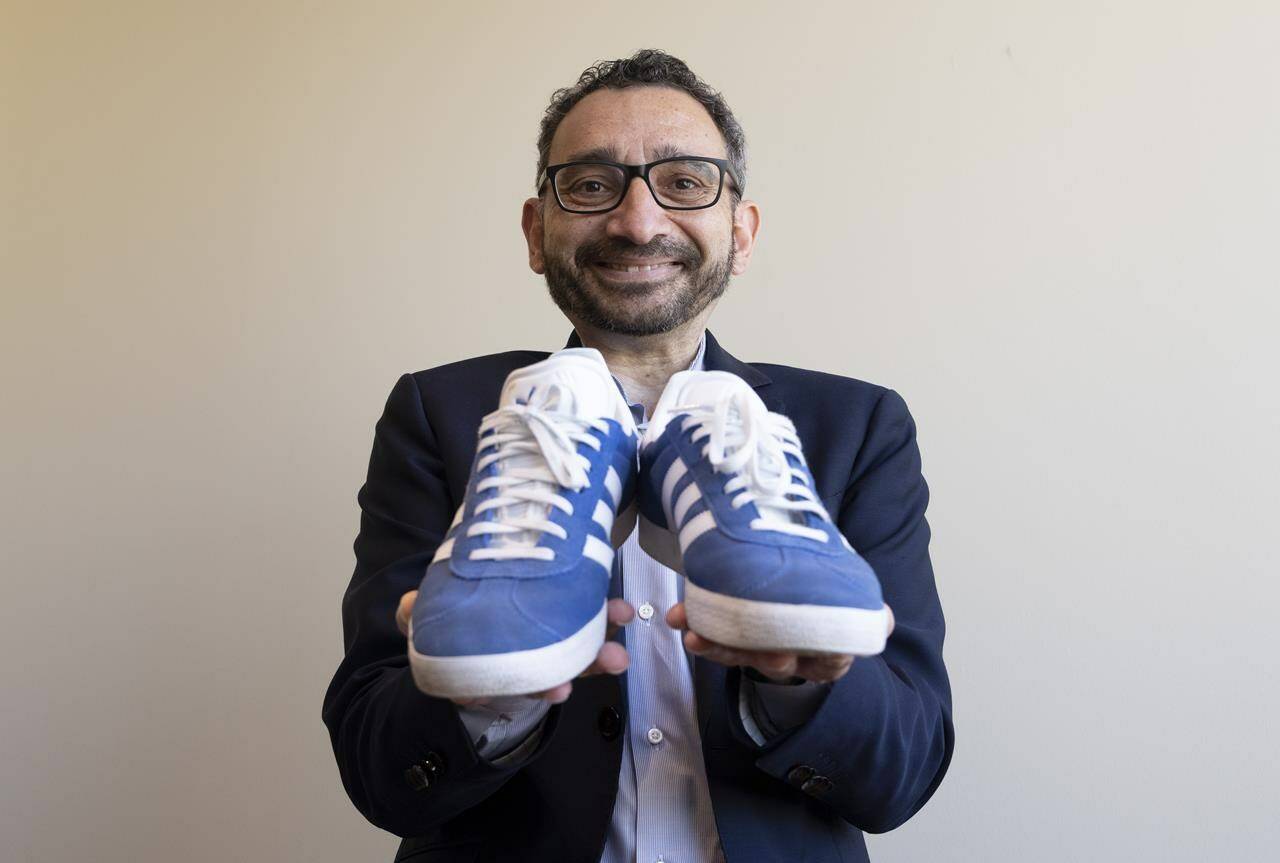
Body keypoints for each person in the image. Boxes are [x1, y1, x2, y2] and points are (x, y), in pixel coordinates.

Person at [322, 48, 953, 863]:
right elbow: (379, 771)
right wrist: (482, 698)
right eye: (590, 185)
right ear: (535, 231)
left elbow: (904, 772)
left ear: (741, 229)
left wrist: (800, 681)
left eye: (685, 182)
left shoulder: (855, 426)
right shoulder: (443, 415)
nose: (638, 220)